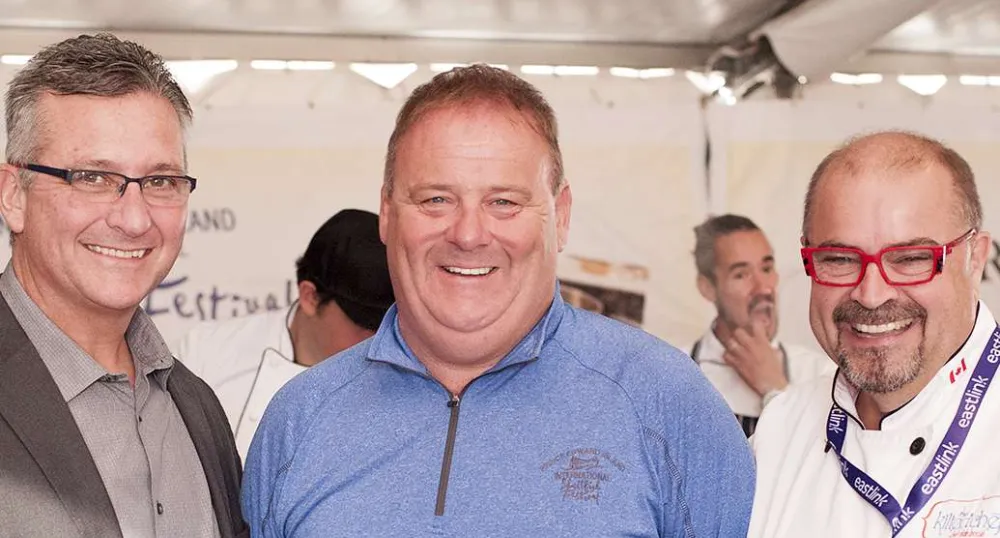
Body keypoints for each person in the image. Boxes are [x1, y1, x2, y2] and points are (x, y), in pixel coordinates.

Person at [242, 64, 754, 537]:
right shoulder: (300, 419)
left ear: (562, 216)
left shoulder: (667, 404)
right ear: (387, 212)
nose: (468, 233)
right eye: (436, 199)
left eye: (503, 202)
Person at [0, 34, 247, 537]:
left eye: (160, 182)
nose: (134, 220)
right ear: (13, 195)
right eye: (92, 177)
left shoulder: (196, 408)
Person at [749, 131, 998, 538]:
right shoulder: (780, 431)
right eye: (840, 259)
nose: (871, 294)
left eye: (911, 259)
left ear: (975, 259)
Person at [176, 208, 395, 459]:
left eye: (390, 324)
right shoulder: (205, 352)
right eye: (366, 325)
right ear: (310, 297)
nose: (379, 339)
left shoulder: (397, 384)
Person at [690, 214, 831, 436]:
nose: (763, 288)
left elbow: (828, 465)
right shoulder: (675, 373)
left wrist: (775, 388)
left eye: (766, 269)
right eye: (741, 274)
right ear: (707, 287)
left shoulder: (821, 374)